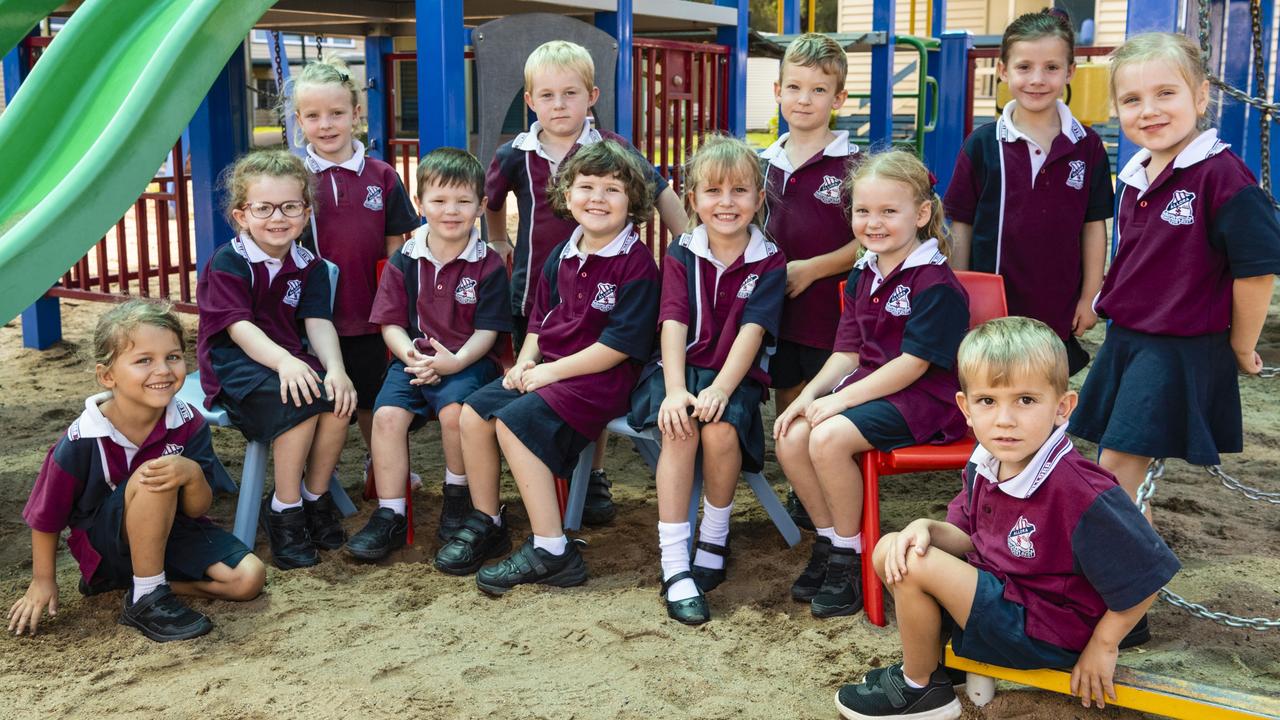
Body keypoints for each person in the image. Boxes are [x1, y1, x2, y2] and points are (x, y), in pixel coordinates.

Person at [833, 317, 1180, 719]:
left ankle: (922, 690)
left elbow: (1147, 574)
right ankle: (936, 672)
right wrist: (921, 528)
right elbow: (966, 536)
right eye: (988, 401)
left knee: (912, 562)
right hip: (1007, 597)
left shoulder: (1080, 489)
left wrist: (1104, 644)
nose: (1005, 420)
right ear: (965, 407)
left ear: (1062, 407)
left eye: (1026, 401)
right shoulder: (986, 462)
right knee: (892, 548)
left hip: (1048, 628)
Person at [436, 140, 660, 594]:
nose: (597, 198)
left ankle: (553, 549)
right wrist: (525, 361)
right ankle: (488, 519)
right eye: (586, 186)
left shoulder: (636, 264)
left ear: (633, 201)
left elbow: (618, 346)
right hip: (552, 367)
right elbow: (540, 319)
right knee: (472, 414)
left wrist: (549, 373)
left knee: (513, 424)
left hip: (602, 378)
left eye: (612, 189)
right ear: (567, 194)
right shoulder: (563, 252)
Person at [1071, 33, 1280, 515]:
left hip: (1177, 344)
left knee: (1120, 461)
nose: (1149, 110)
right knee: (1112, 458)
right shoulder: (1135, 175)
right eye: (1132, 99)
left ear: (1201, 96)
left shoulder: (1223, 177)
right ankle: (1126, 565)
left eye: (1166, 93)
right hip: (1128, 339)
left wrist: (1242, 345)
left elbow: (1256, 272)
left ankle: (1111, 573)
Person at [485, 40, 688, 525]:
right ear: (530, 101)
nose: (560, 105)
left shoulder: (613, 149)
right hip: (540, 290)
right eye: (548, 96)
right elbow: (491, 202)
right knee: (537, 383)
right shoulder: (516, 153)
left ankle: (590, 475)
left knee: (587, 376)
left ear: (591, 95)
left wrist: (685, 247)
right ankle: (548, 480)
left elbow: (661, 194)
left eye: (570, 94)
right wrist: (498, 244)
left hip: (606, 292)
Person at [775, 150, 970, 620]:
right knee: (792, 432)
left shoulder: (934, 281)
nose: (873, 223)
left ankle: (852, 557)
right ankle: (832, 541)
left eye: (889, 211)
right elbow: (847, 353)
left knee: (827, 437)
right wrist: (807, 397)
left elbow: (912, 366)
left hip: (925, 401)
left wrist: (838, 402)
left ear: (921, 214)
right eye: (863, 211)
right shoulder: (865, 271)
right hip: (871, 387)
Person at [10, 301, 266, 643]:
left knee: (249, 579)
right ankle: (145, 597)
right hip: (107, 546)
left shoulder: (188, 423)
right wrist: (43, 580)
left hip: (173, 530)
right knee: (153, 477)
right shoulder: (81, 439)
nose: (162, 369)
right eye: (144, 360)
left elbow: (198, 508)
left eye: (172, 357)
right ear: (107, 375)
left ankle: (145, 582)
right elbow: (46, 517)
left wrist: (190, 474)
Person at [628, 136, 786, 625]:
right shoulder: (681, 251)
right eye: (713, 191)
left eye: (740, 191)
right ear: (691, 199)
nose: (726, 202)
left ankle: (715, 535)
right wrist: (676, 390)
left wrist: (720, 388)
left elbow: (752, 331)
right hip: (675, 368)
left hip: (733, 373)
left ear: (759, 200)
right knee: (681, 428)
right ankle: (675, 564)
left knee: (721, 429)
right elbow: (672, 321)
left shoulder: (769, 259)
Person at [347, 148, 512, 560]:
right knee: (385, 417)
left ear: (480, 207)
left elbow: (489, 331)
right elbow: (390, 324)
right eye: (438, 201)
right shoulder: (406, 259)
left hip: (467, 361)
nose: (450, 211)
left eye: (462, 201)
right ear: (420, 205)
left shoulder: (488, 264)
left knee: (456, 415)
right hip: (412, 361)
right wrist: (411, 357)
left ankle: (457, 495)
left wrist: (454, 363)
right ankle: (391, 513)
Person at [197, 150, 358, 570]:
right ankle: (284, 510)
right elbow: (239, 329)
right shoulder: (229, 262)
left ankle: (314, 497)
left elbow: (318, 322)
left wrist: (337, 370)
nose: (277, 218)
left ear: (305, 214)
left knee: (339, 401)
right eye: (263, 208)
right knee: (300, 403)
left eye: (290, 207)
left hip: (291, 358)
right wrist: (285, 362)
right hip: (236, 366)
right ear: (241, 215)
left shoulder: (310, 265)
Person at [943, 9, 1112, 376]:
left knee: (1046, 389)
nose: (1037, 79)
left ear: (1070, 72)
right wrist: (961, 292)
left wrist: (1090, 296)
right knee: (993, 386)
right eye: (1024, 67)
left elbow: (1094, 226)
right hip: (993, 306)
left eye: (1051, 67)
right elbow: (962, 227)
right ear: (1003, 70)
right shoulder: (982, 145)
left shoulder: (1088, 146)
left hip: (1057, 304)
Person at [291, 57, 421, 481]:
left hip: (367, 310)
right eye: (313, 116)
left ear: (356, 114)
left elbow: (396, 243)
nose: (326, 125)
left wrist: (393, 304)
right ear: (299, 120)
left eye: (337, 113)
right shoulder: (293, 178)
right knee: (316, 398)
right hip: (310, 314)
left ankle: (377, 463)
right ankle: (312, 477)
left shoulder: (381, 175)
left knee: (370, 395)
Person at [760, 32, 861, 531]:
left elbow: (873, 240)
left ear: (838, 99)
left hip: (834, 316)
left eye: (818, 90)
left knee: (823, 407)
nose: (804, 99)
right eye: (794, 87)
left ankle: (832, 493)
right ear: (776, 90)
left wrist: (812, 268)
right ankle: (803, 489)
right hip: (779, 315)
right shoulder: (760, 167)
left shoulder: (855, 166)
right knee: (788, 399)